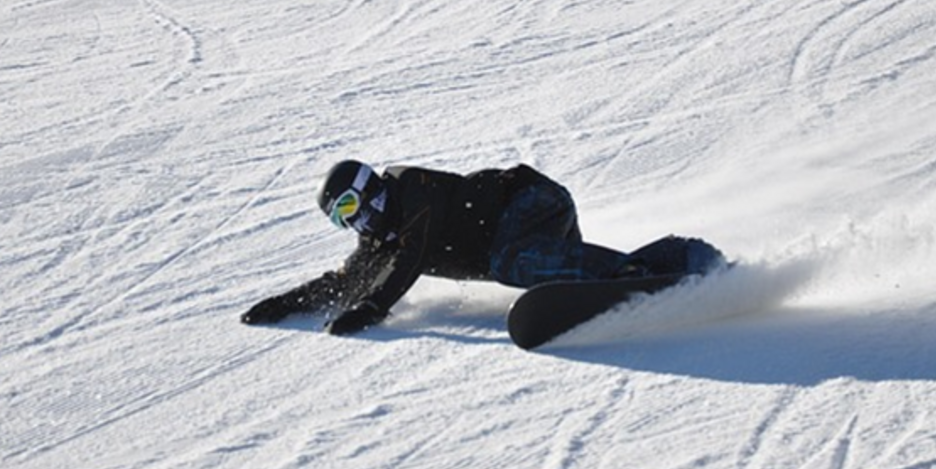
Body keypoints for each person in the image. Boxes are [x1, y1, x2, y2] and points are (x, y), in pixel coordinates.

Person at [241, 160, 725, 335]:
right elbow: (346, 283)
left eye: (351, 206)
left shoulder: (412, 189)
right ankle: (661, 263)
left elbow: (409, 259)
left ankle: (646, 269)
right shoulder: (379, 239)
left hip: (532, 199)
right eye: (340, 220)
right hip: (525, 235)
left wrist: (373, 308)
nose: (355, 222)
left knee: (508, 261)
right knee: (534, 267)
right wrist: (283, 305)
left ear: (370, 187)